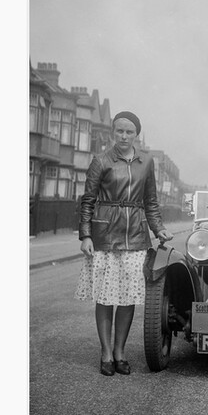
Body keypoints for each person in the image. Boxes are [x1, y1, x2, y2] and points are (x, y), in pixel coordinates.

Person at [74, 111, 173, 375]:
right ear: (112, 132)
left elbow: (150, 201)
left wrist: (159, 229)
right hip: (105, 237)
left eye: (129, 132)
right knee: (106, 298)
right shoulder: (101, 161)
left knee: (128, 298)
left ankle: (120, 351)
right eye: (119, 131)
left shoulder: (146, 162)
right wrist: (85, 235)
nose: (124, 136)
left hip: (136, 239)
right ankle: (106, 353)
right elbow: (88, 200)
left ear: (136, 135)